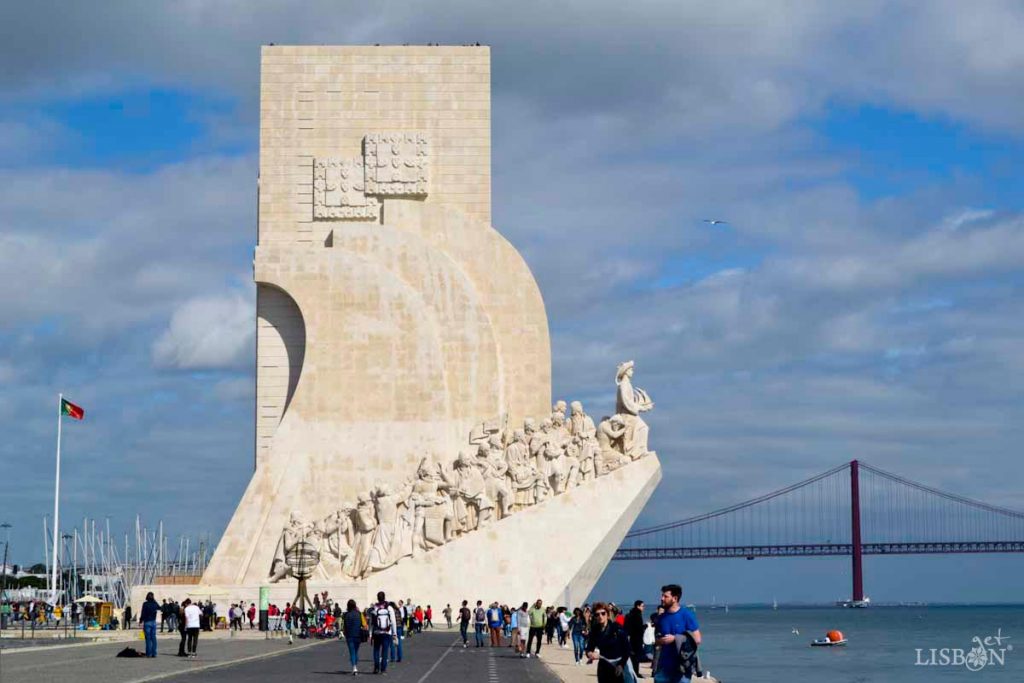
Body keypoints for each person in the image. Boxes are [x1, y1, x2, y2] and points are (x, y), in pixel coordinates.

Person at [653, 584, 700, 683]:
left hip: (682, 668)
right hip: (664, 667)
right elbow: (656, 640)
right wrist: (661, 641)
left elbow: (697, 639)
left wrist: (675, 638)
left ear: (674, 598)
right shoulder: (661, 618)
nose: (662, 598)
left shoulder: (686, 615)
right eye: (662, 596)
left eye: (665, 596)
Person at [586, 602, 633, 683]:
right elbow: (589, 648)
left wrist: (621, 665)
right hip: (604, 667)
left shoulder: (617, 628)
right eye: (597, 614)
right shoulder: (595, 631)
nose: (600, 616)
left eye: (603, 613)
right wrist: (590, 654)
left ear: (607, 615)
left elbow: (627, 649)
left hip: (618, 666)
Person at [371, 591, 398, 674]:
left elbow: (371, 622)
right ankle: (383, 669)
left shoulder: (374, 608)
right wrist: (394, 633)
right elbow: (393, 622)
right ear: (384, 597)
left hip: (377, 632)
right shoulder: (389, 608)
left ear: (377, 598)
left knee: (376, 650)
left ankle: (376, 668)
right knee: (385, 651)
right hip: (387, 632)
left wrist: (370, 633)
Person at [624, 600, 647, 677]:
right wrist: (645, 626)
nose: (643, 607)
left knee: (632, 656)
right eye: (642, 606)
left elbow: (626, 627)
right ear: (638, 606)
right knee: (636, 657)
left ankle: (633, 671)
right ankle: (635, 672)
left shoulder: (629, 614)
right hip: (636, 639)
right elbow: (638, 628)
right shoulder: (637, 615)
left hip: (630, 638)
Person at [342, 599, 364, 675]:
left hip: (349, 635)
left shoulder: (346, 615)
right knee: (356, 651)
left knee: (352, 652)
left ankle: (354, 667)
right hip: (358, 635)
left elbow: (345, 626)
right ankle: (355, 665)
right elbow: (362, 624)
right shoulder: (359, 614)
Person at [140, 592, 160, 658]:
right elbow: (160, 608)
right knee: (153, 638)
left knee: (148, 638)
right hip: (153, 622)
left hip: (147, 622)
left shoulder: (145, 604)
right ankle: (154, 653)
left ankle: (148, 653)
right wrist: (154, 601)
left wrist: (141, 621)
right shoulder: (155, 603)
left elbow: (143, 613)